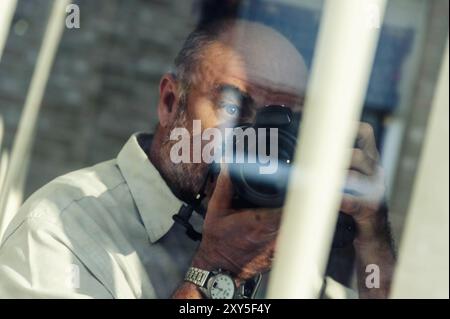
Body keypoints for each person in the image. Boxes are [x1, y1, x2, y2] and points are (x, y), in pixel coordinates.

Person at [0, 19, 395, 299]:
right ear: (171, 102)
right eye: (232, 105)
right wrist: (216, 271)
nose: (258, 140)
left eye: (281, 122)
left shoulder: (285, 254)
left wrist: (373, 239)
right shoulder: (61, 232)